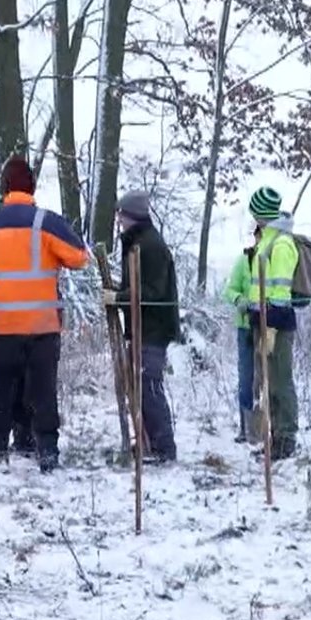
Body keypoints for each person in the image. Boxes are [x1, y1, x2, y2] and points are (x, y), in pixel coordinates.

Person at [0, 153, 90, 472]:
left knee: (2, 386)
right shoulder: (47, 222)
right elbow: (79, 257)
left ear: (3, 188)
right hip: (42, 325)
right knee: (43, 389)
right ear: (32, 187)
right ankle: (47, 452)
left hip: (3, 325)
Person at [105, 190, 179, 464]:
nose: (118, 220)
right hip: (141, 326)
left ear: (131, 216)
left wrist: (120, 298)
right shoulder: (138, 242)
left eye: (121, 215)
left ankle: (163, 447)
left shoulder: (150, 246)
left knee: (149, 384)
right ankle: (148, 441)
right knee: (140, 384)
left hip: (153, 328)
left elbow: (153, 292)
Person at [246, 187, 301, 458]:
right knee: (268, 383)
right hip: (263, 320)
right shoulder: (266, 240)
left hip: (276, 323)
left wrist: (271, 327)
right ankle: (274, 437)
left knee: (279, 381)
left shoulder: (281, 244)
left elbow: (280, 290)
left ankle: (286, 439)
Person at [221, 243, 257, 442]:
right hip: (246, 329)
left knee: (268, 378)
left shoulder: (274, 258)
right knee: (246, 378)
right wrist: (238, 299)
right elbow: (230, 289)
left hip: (270, 327)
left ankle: (265, 427)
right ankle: (246, 428)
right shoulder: (244, 260)